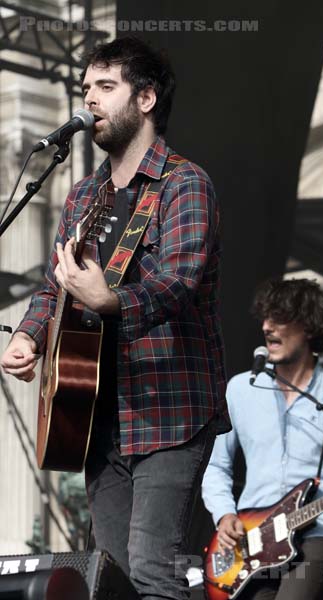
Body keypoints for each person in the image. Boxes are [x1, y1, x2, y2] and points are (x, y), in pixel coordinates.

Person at [0, 36, 229, 600]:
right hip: (97, 416)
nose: (90, 101)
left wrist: (110, 301)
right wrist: (30, 336)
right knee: (114, 581)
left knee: (154, 573)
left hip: (170, 413)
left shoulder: (184, 184)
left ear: (145, 99)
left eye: (106, 87)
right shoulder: (82, 197)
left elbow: (177, 283)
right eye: (86, 89)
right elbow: (55, 288)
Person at [202, 278, 323, 600]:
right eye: (265, 317)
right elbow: (216, 465)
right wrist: (225, 514)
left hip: (319, 536)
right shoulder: (240, 390)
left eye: (279, 318)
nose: (267, 327)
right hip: (251, 537)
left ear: (308, 326)